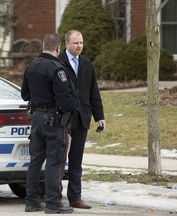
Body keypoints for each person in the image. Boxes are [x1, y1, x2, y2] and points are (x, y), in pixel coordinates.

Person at [21, 33, 80, 214]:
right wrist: (76, 105)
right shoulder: (57, 68)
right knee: (56, 161)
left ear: (43, 46)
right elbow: (64, 100)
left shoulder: (32, 66)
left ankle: (31, 202)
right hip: (54, 121)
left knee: (35, 161)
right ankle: (54, 203)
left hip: (37, 119)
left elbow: (25, 95)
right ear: (58, 48)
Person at [59, 30, 106, 209]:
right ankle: (55, 197)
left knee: (76, 160)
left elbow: (94, 92)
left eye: (81, 43)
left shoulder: (87, 64)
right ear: (67, 44)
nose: (79, 46)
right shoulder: (58, 63)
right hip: (63, 118)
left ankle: (75, 197)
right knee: (59, 160)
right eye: (75, 43)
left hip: (82, 118)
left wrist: (99, 116)